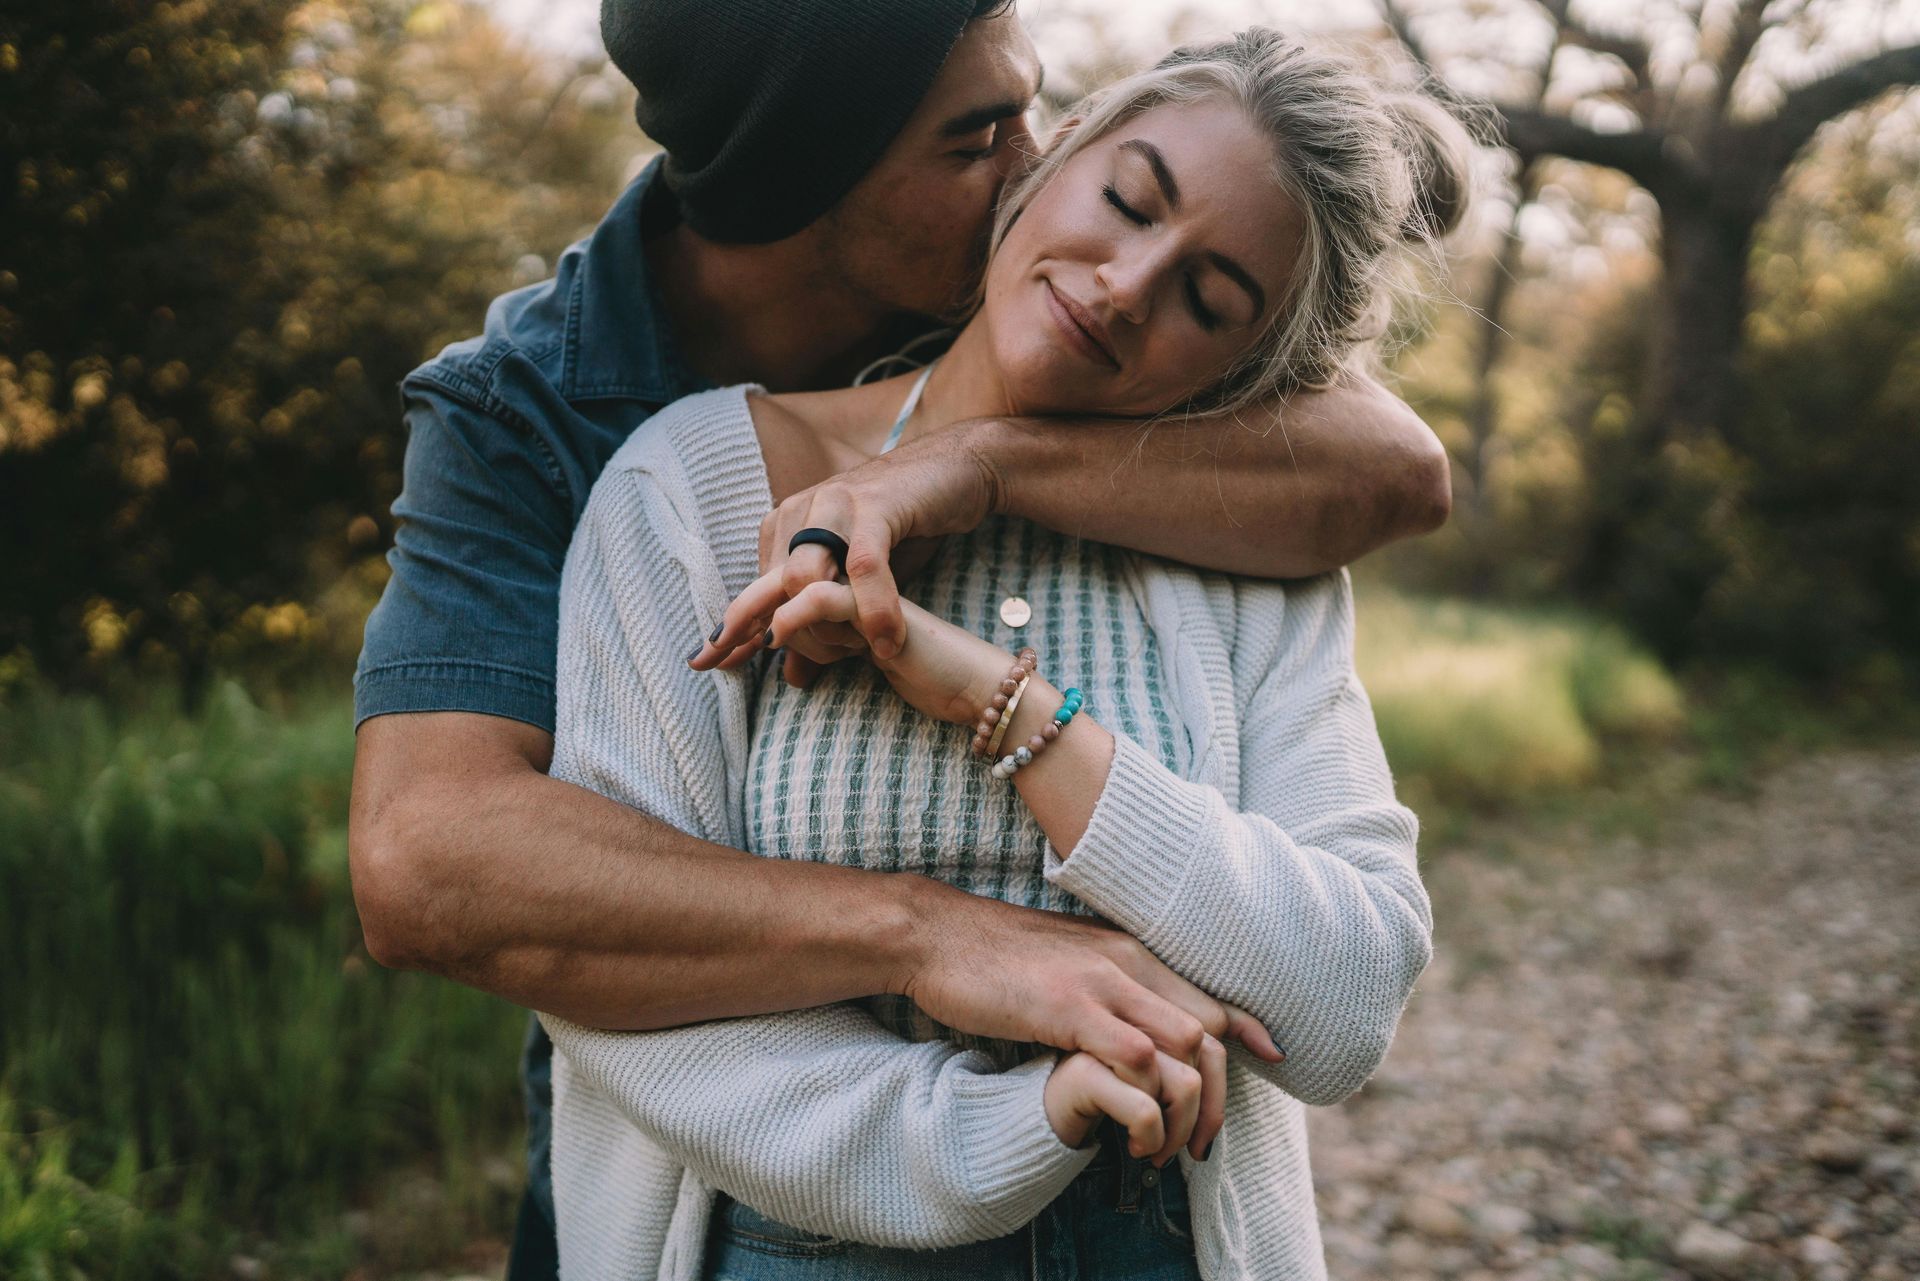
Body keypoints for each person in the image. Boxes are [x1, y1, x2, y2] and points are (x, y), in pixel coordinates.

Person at [344, 2, 1454, 1276]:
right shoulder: (569, 432)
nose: (1034, 160)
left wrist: (962, 468)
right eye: (982, 134)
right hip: (718, 1168)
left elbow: (1396, 469)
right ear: (817, 177)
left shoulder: (1180, 436)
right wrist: (935, 941)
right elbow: (432, 861)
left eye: (1039, 115)